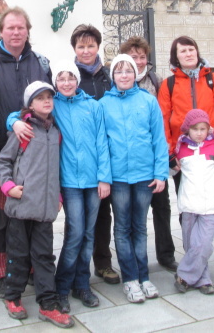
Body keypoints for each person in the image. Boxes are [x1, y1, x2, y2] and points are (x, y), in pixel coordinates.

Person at [11, 61, 111, 312]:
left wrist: (104, 177)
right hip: (69, 181)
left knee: (89, 234)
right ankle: (63, 286)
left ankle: (82, 284)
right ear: (56, 82)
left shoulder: (93, 106)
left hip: (93, 180)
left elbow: (102, 142)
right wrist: (13, 121)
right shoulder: (53, 106)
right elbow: (24, 113)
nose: (66, 83)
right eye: (61, 79)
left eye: (71, 78)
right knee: (75, 233)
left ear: (77, 80)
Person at [156, 36, 214, 279]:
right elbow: (163, 120)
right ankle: (193, 262)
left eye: (191, 49)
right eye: (183, 51)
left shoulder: (213, 80)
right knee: (189, 210)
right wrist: (169, 153)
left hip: (211, 154)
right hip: (184, 155)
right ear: (175, 57)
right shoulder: (168, 85)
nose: (188, 54)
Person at [0, 7, 52, 298]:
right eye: (11, 28)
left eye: (21, 27)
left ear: (28, 31)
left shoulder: (41, 64)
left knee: (32, 214)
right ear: (1, 31)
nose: (16, 32)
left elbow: (49, 106)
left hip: (35, 156)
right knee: (2, 217)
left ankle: (28, 268)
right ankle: (1, 272)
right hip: (2, 155)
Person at [0, 81, 75, 328]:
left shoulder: (56, 131)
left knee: (44, 256)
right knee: (18, 254)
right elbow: (3, 161)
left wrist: (58, 196)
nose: (46, 101)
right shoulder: (24, 129)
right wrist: (8, 186)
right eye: (40, 98)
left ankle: (48, 304)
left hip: (45, 208)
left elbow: (56, 168)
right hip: (21, 205)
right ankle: (12, 296)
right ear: (30, 104)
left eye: (49, 97)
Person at [100, 54, 168, 304]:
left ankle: (143, 276)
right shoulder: (103, 104)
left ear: (136, 74)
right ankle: (129, 278)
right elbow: (101, 144)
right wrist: (104, 177)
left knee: (139, 227)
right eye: (119, 71)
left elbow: (158, 138)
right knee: (122, 227)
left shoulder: (148, 101)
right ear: (113, 76)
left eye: (128, 70)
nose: (124, 75)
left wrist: (160, 173)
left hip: (144, 175)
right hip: (118, 177)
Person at [120, 36, 177, 273]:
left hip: (154, 154)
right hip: (130, 160)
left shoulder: (156, 81)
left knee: (162, 207)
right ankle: (133, 257)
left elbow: (164, 116)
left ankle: (166, 254)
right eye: (133, 57)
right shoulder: (119, 78)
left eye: (142, 57)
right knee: (133, 214)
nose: (139, 61)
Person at [70, 24, 119, 285]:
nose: (86, 51)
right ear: (74, 49)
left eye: (90, 46)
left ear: (98, 47)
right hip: (79, 154)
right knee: (77, 217)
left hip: (107, 151)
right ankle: (75, 267)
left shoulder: (108, 77)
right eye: (81, 46)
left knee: (103, 213)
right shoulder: (69, 77)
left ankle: (103, 262)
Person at [171, 109, 214, 295]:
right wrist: (167, 162)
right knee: (191, 245)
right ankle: (203, 279)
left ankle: (184, 276)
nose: (199, 133)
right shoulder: (181, 149)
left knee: (203, 245)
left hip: (211, 205)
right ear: (187, 130)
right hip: (189, 204)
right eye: (195, 129)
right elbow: (172, 172)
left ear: (209, 129)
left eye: (203, 129)